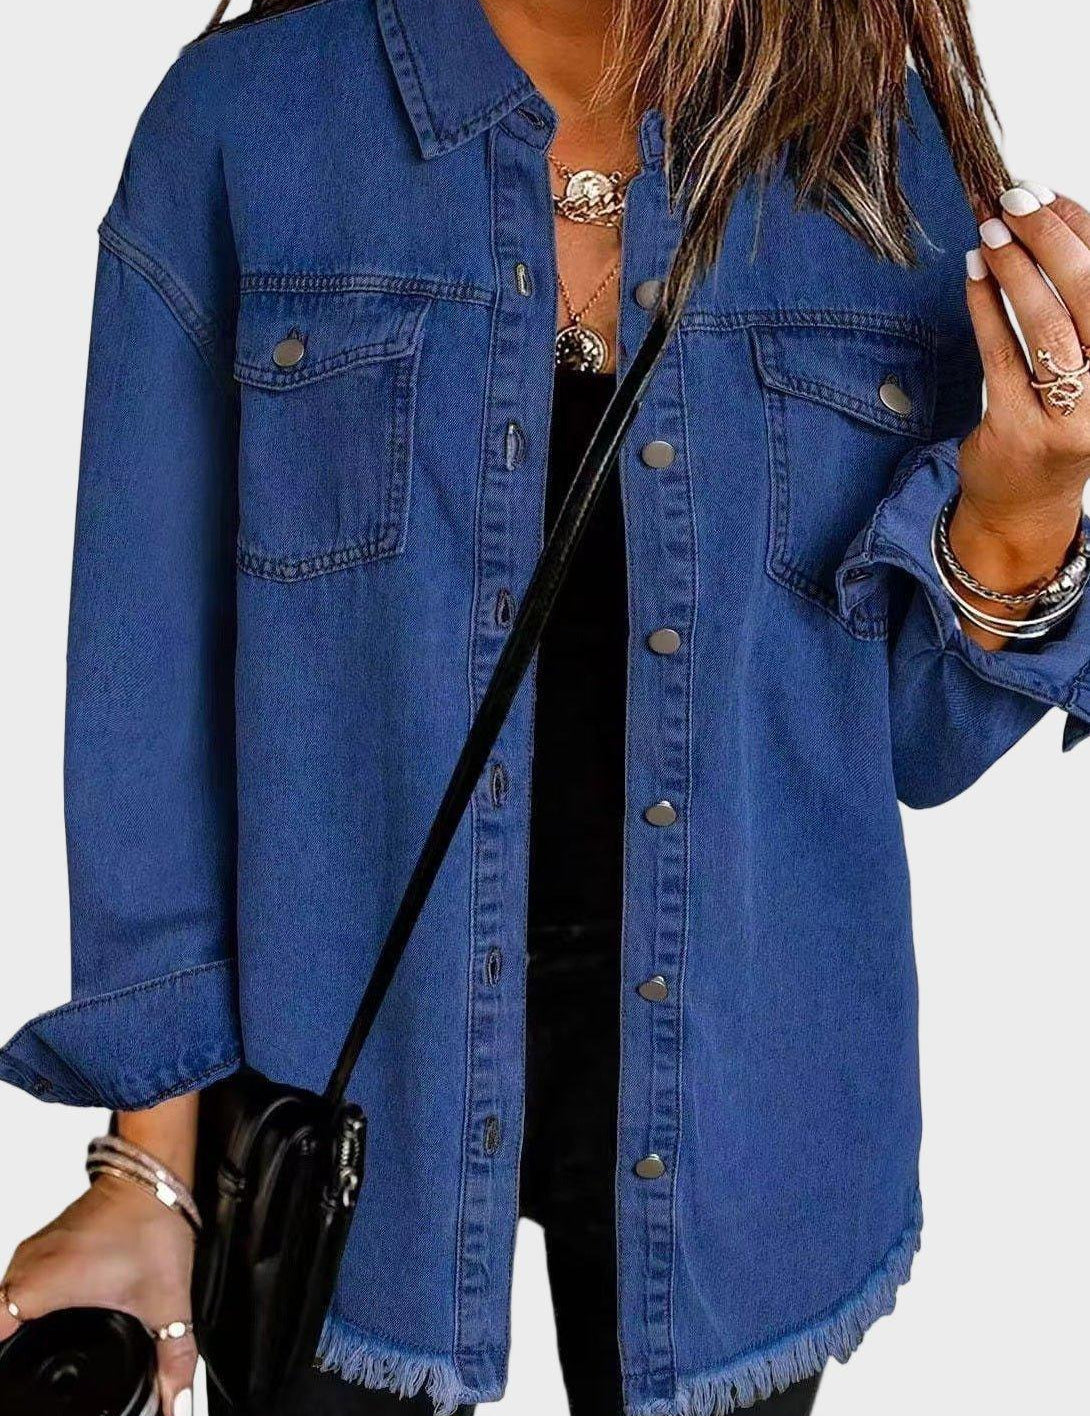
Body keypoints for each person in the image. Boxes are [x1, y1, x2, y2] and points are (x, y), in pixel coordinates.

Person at [1, 1, 1088, 1414]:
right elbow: (147, 690)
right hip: (338, 1085)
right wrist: (148, 1165)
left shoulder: (874, 152)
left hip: (751, 1112)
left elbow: (912, 745)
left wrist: (1025, 515)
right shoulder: (247, 124)